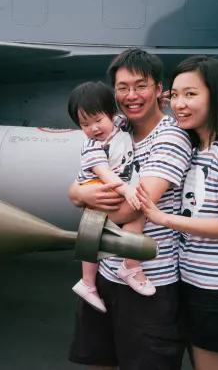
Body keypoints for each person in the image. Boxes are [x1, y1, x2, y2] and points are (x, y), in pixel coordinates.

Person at [67, 48, 192, 370]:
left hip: (151, 281)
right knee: (99, 361)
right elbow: (79, 183)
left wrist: (84, 201)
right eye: (123, 88)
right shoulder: (114, 126)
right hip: (106, 274)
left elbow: (131, 209)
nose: (131, 95)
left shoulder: (172, 137)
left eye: (141, 86)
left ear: (159, 88)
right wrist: (78, 193)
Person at [135, 55, 218, 370]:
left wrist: (162, 218)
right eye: (174, 95)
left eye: (191, 94)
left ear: (215, 95)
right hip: (190, 281)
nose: (179, 104)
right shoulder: (197, 148)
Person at [68, 81, 155, 313]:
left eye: (97, 120)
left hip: (116, 186)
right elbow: (104, 174)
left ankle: (128, 265)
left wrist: (158, 101)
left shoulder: (120, 125)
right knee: (93, 233)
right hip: (100, 187)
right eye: (84, 124)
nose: (93, 128)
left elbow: (140, 114)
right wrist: (127, 190)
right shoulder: (92, 147)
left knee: (134, 220)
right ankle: (88, 282)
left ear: (112, 113)